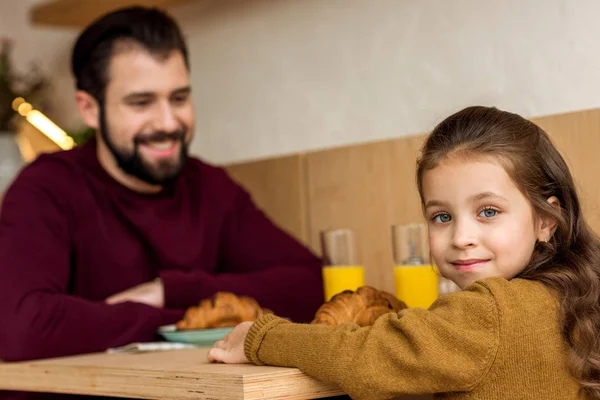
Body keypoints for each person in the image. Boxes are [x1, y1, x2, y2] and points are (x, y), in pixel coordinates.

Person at [0, 5, 324, 370]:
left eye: (179, 98)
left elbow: (311, 285)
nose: (168, 122)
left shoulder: (210, 187)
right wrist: (183, 321)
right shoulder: (44, 189)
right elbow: (22, 328)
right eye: (141, 103)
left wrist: (168, 291)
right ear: (90, 109)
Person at [209, 105, 600, 399]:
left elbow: (366, 357)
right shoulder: (566, 297)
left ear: (546, 219)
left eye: (488, 212)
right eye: (442, 216)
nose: (461, 236)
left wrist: (261, 339)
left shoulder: (490, 312)